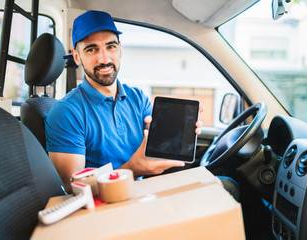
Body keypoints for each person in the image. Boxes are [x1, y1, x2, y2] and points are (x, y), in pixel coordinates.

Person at [45, 10, 203, 192]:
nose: (104, 58)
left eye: (110, 46)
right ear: (77, 56)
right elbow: (72, 188)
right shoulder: (65, 113)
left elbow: (155, 148)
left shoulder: (138, 98)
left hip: (143, 193)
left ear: (120, 48)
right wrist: (131, 169)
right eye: (91, 49)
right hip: (104, 209)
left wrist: (180, 134)